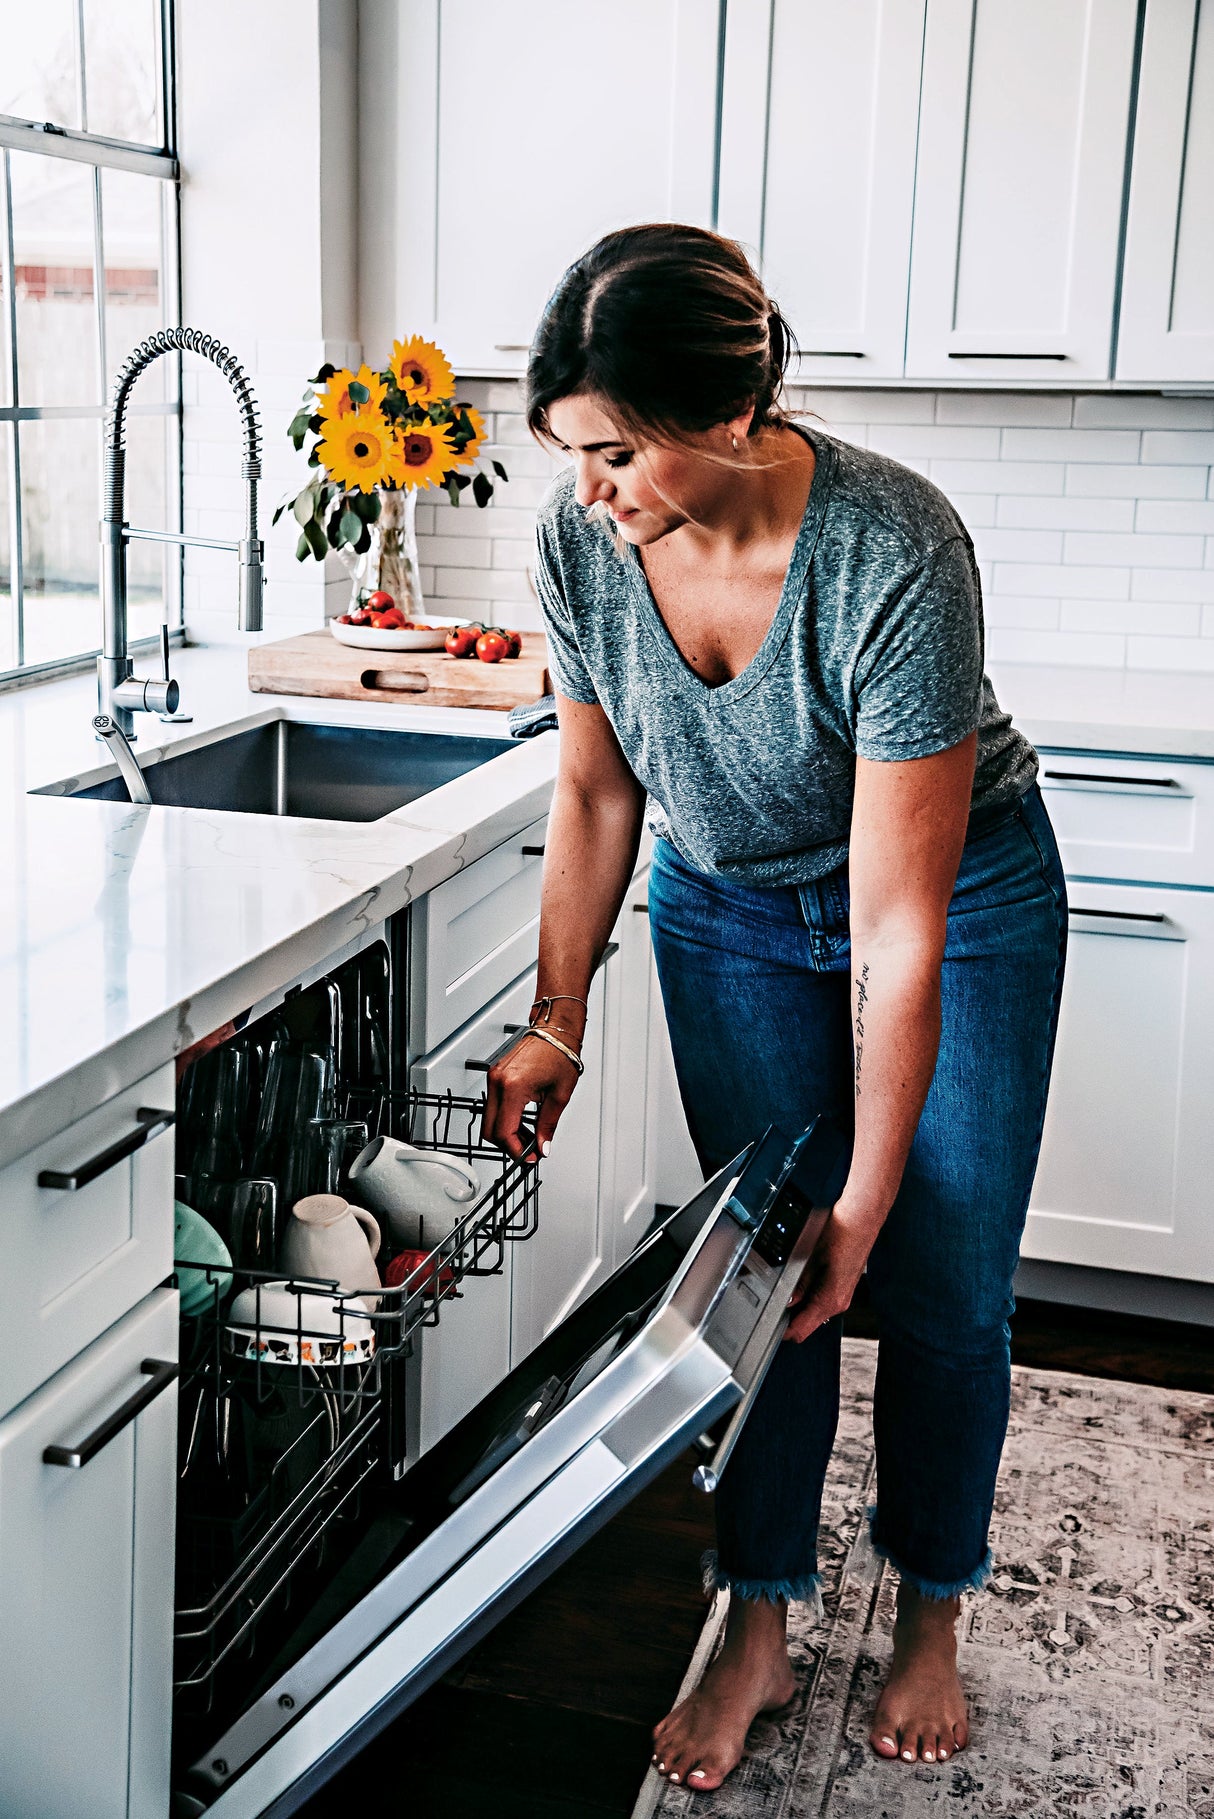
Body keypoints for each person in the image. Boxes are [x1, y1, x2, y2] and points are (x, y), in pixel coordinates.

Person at [482, 223, 1067, 1791]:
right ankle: (755, 1617)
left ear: (726, 420)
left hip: (956, 903)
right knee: (759, 1278)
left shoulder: (892, 549)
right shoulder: (580, 539)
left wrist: (869, 1198)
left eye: (614, 452)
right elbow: (598, 795)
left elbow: (893, 924)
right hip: (727, 906)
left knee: (938, 1282)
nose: (589, 491)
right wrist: (556, 1017)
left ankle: (930, 1602)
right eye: (572, 452)